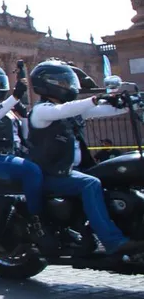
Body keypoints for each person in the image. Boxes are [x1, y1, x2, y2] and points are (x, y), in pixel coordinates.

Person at [28, 59, 144, 256]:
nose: (69, 86)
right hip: (52, 173)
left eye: (68, 81)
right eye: (63, 82)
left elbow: (107, 110)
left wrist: (131, 102)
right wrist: (95, 99)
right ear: (48, 84)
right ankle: (113, 241)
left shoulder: (72, 110)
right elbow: (64, 110)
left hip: (72, 170)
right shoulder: (42, 111)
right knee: (90, 184)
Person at [0, 63, 56, 254]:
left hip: (15, 155)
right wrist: (14, 97)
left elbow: (25, 133)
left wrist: (24, 114)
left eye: (0, 82)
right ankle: (36, 220)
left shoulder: (9, 110)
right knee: (31, 171)